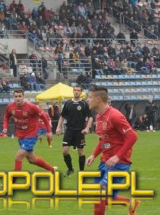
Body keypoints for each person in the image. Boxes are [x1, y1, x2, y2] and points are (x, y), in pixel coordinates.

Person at [85, 86, 140, 215]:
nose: (88, 100)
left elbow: (132, 136)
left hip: (118, 163)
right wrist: (93, 154)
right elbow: (103, 139)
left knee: (101, 192)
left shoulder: (115, 116)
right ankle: (130, 202)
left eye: (90, 97)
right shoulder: (99, 116)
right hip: (105, 161)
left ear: (98, 99)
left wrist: (117, 156)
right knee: (102, 198)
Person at [3, 89, 56, 174]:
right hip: (21, 136)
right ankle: (52, 170)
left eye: (20, 96)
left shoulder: (31, 107)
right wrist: (5, 127)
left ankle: (11, 182)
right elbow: (6, 117)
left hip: (31, 135)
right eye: (16, 96)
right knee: (32, 160)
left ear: (23, 97)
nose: (18, 98)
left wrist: (49, 131)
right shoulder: (10, 106)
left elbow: (44, 117)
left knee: (18, 157)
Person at [56, 85, 93, 177]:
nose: (76, 92)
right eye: (75, 90)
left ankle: (82, 172)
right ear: (73, 91)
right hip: (69, 131)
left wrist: (87, 128)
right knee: (64, 151)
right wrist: (58, 127)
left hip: (79, 132)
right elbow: (62, 116)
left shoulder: (84, 104)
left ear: (81, 92)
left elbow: (91, 117)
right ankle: (70, 169)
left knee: (80, 151)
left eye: (78, 90)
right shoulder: (68, 103)